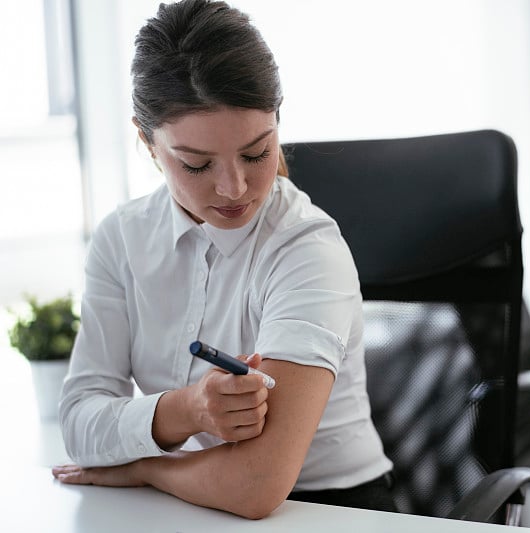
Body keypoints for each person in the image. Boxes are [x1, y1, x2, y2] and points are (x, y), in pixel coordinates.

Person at [51, 0, 394, 519]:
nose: (234, 188)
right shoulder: (121, 239)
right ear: (147, 143)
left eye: (257, 154)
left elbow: (257, 484)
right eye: (196, 163)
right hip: (192, 506)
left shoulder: (307, 248)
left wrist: (142, 467)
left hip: (331, 510)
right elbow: (78, 420)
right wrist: (187, 409)